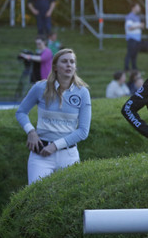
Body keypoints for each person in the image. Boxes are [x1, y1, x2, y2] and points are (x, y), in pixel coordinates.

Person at [15, 48, 91, 184]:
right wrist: (31, 131)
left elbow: (83, 131)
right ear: (55, 67)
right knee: (37, 200)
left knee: (70, 200)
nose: (69, 65)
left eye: (72, 62)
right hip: (40, 155)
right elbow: (21, 112)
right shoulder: (40, 87)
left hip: (69, 155)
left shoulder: (83, 92)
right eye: (64, 61)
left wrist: (55, 146)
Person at [124, 3, 144, 71]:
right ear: (133, 8)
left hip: (137, 38)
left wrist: (140, 26)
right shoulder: (130, 16)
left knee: (134, 54)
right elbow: (129, 27)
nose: (139, 8)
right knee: (130, 53)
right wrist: (139, 26)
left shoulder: (137, 17)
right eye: (138, 7)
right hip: (132, 38)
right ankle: (126, 68)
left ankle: (134, 67)